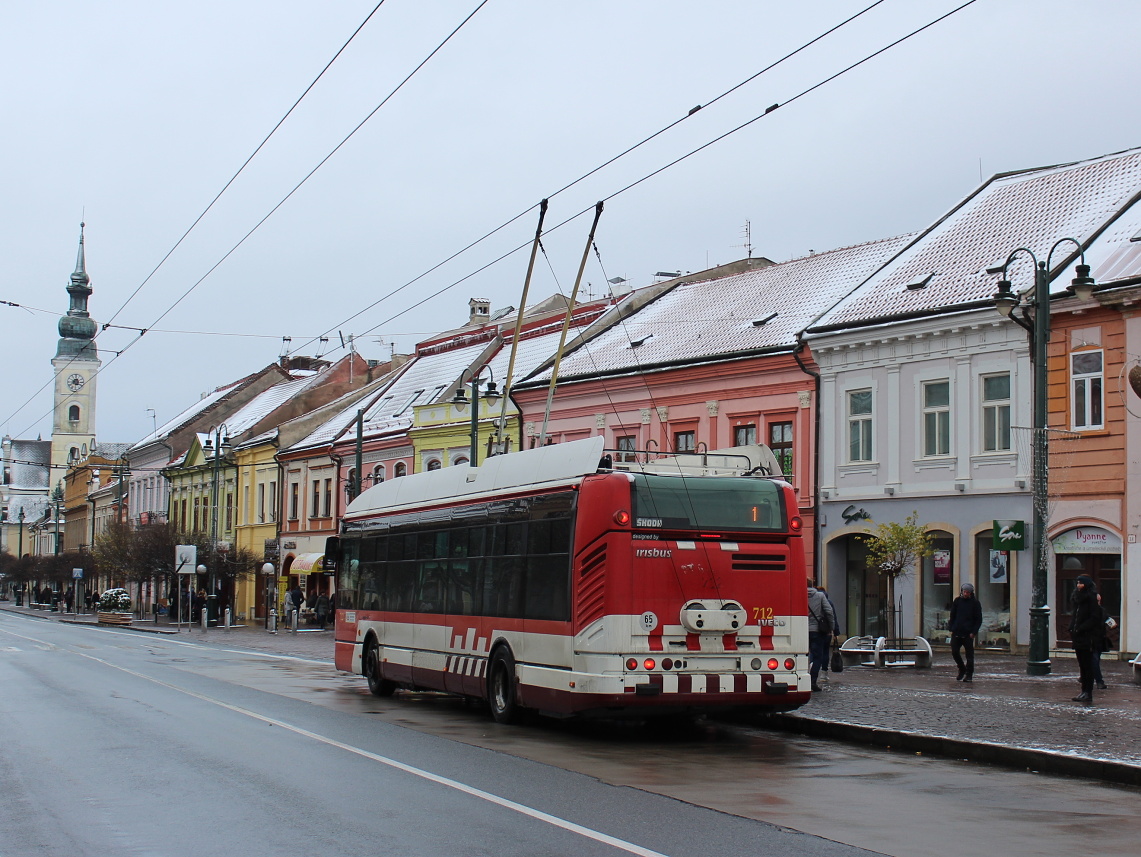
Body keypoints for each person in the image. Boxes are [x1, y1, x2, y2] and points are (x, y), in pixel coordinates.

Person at [1070, 575, 1105, 703]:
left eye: (1081, 583)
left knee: (1088, 665)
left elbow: (1094, 618)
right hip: (1078, 636)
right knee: (1082, 665)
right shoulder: (1077, 599)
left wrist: (1081, 628)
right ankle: (1083, 691)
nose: (1078, 585)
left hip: (1088, 637)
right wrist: (1072, 628)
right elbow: (1075, 616)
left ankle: (1087, 692)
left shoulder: (1091, 598)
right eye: (1078, 583)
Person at [948, 582, 982, 683]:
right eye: (964, 592)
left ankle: (969, 674)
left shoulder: (975, 603)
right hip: (957, 631)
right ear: (962, 592)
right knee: (955, 652)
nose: (966, 594)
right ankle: (962, 668)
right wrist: (951, 627)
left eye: (968, 592)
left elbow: (978, 619)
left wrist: (973, 632)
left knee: (969, 656)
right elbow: (952, 615)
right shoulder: (957, 601)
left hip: (968, 633)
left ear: (971, 593)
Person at [806, 581, 836, 692]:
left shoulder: (798, 595)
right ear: (812, 585)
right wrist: (831, 627)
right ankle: (812, 681)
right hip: (817, 631)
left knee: (802, 656)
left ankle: (801, 679)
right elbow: (829, 611)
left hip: (802, 630)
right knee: (818, 656)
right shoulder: (820, 596)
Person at [1091, 593, 1109, 690]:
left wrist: (1111, 623)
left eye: (1099, 601)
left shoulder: (1101, 610)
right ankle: (1099, 681)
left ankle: (1085, 676)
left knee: (1095, 659)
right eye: (1097, 601)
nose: (1098, 602)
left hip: (1100, 639)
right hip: (1091, 639)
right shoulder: (1088, 611)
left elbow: (1107, 618)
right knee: (1095, 660)